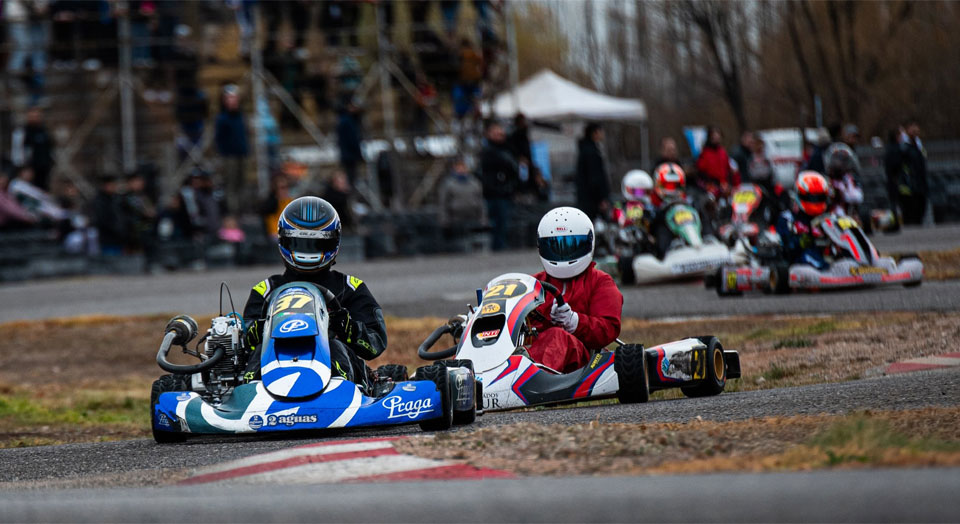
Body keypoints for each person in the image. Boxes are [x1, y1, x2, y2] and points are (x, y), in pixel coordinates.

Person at [241, 196, 388, 394]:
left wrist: (348, 328)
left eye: (317, 244)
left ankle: (339, 392)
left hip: (334, 366)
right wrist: (257, 331)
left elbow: (375, 345)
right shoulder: (266, 290)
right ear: (284, 241)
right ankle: (249, 394)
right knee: (258, 352)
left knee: (335, 346)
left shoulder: (350, 288)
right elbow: (243, 344)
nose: (308, 251)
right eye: (299, 243)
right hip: (274, 364)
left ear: (334, 242)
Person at [526, 207, 623, 373]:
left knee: (557, 336)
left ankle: (527, 376)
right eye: (555, 246)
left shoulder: (600, 282)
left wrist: (574, 321)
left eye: (571, 245)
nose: (563, 254)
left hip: (584, 360)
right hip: (534, 351)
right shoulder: (531, 284)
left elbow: (608, 329)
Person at [775, 171, 831, 269]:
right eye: (811, 198)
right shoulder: (787, 218)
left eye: (819, 197)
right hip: (799, 262)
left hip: (827, 256)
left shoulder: (828, 218)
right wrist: (801, 240)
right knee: (808, 254)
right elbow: (786, 247)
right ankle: (826, 269)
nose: (815, 201)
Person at [480, 121, 518, 251]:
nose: (499, 136)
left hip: (503, 192)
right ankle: (497, 247)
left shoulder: (507, 150)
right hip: (493, 192)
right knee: (496, 222)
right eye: (496, 133)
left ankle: (500, 246)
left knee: (502, 222)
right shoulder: (489, 152)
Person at [214, 84, 249, 216]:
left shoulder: (241, 116)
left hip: (242, 153)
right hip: (229, 156)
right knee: (231, 185)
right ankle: (233, 212)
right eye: (229, 98)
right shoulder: (222, 118)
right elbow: (219, 139)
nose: (232, 101)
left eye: (234, 98)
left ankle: (243, 209)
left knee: (242, 183)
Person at [437, 156, 486, 248]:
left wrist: (483, 219)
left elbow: (481, 201)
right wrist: (444, 221)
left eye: (463, 166)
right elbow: (443, 203)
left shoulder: (475, 183)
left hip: (473, 218)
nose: (461, 169)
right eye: (458, 167)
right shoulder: (448, 184)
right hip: (455, 219)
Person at [890, 119, 928, 225]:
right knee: (910, 217)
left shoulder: (919, 146)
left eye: (916, 127)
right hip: (908, 188)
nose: (915, 130)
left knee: (919, 215)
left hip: (920, 186)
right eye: (912, 127)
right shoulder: (903, 148)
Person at [575, 122, 611, 221]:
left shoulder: (586, 149)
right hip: (592, 199)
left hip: (587, 198)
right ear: (594, 133)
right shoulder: (591, 152)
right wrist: (602, 198)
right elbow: (595, 177)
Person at [695, 126, 739, 197]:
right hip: (711, 185)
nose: (716, 138)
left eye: (718, 136)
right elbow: (701, 170)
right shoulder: (705, 153)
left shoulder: (723, 152)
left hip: (724, 185)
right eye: (714, 136)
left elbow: (729, 169)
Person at [336, 101, 364, 185]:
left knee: (350, 177)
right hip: (350, 154)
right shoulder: (348, 121)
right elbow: (352, 139)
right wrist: (358, 153)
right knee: (351, 178)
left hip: (346, 154)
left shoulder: (343, 120)